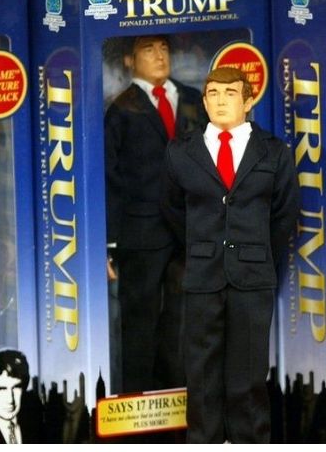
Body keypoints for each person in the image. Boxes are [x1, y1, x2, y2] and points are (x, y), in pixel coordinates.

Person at [162, 67, 299, 443]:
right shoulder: (181, 152)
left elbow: (284, 213)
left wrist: (256, 253)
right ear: (204, 102)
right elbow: (172, 209)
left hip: (252, 279)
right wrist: (201, 249)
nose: (221, 101)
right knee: (201, 377)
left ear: (249, 100)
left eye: (230, 93)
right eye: (213, 94)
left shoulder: (273, 151)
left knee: (249, 377)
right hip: (202, 277)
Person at [103, 35, 207, 393]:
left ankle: (180, 395)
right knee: (139, 320)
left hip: (188, 231)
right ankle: (137, 399)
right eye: (149, 49)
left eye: (163, 48)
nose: (160, 56)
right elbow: (110, 177)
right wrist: (109, 242)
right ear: (129, 60)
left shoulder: (192, 100)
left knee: (184, 318)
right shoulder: (121, 109)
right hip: (140, 235)